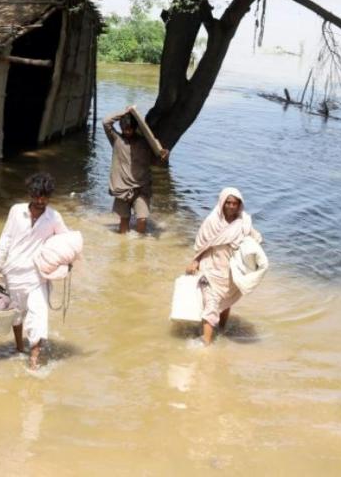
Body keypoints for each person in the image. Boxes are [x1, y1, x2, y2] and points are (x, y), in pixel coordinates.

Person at [0, 172, 68, 369]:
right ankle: (18, 349)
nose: (40, 201)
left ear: (49, 197)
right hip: (13, 273)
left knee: (39, 315)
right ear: (30, 194)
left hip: (37, 277)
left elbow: (65, 242)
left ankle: (33, 362)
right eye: (36, 196)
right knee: (16, 316)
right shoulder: (16, 212)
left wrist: (66, 262)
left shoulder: (54, 218)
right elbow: (6, 238)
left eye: (44, 197)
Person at [185, 187, 263, 345]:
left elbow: (256, 240)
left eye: (235, 203)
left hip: (232, 271)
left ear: (239, 205)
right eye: (228, 202)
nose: (231, 206)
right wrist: (195, 261)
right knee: (211, 303)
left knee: (226, 302)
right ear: (222, 203)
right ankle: (206, 342)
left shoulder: (244, 223)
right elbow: (202, 244)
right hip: (212, 267)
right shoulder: (212, 222)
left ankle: (220, 329)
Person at [103, 105, 169, 234]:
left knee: (142, 218)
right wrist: (126, 111)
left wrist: (164, 155)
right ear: (121, 128)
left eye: (130, 129)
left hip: (141, 188)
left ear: (135, 128)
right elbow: (106, 122)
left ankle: (140, 244)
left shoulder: (144, 143)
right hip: (122, 189)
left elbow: (156, 159)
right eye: (125, 129)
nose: (127, 132)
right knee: (124, 221)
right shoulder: (117, 140)